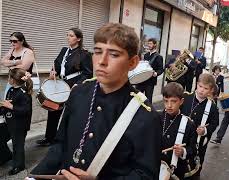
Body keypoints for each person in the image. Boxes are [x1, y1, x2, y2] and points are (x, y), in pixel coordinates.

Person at [30, 23, 160, 179]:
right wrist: (34, 176)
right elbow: (60, 145)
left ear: (132, 62)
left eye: (114, 54)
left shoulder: (146, 115)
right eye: (98, 52)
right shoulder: (78, 93)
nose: (102, 61)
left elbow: (145, 175)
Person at [36, 28, 93, 146]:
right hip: (60, 84)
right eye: (67, 35)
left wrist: (78, 84)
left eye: (71, 36)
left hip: (73, 86)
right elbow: (56, 64)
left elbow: (88, 73)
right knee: (53, 110)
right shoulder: (64, 50)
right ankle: (49, 138)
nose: (68, 37)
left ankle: (67, 139)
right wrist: (53, 72)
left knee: (70, 114)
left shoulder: (85, 54)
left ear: (78, 38)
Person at [180, 73, 219, 179]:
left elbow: (215, 123)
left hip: (199, 143)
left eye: (205, 88)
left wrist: (205, 130)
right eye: (200, 86)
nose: (201, 90)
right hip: (181, 139)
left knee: (196, 164)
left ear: (211, 90)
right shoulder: (185, 98)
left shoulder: (212, 107)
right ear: (196, 84)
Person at [160, 82, 196, 179]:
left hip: (176, 170)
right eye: (166, 101)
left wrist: (183, 151)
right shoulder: (156, 118)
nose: (169, 105)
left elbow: (193, 149)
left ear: (181, 101)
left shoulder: (188, 124)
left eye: (173, 101)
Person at [0, 68, 33, 175]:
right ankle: (5, 156)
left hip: (19, 125)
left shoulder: (24, 93)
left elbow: (26, 110)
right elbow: (9, 103)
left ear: (13, 80)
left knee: (17, 145)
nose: (8, 78)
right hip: (9, 122)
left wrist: (11, 106)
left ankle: (19, 165)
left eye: (9, 77)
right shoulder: (12, 89)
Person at [0, 32, 35, 97]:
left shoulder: (28, 52)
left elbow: (24, 67)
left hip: (22, 82)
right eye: (11, 41)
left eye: (14, 41)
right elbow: (2, 62)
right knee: (7, 99)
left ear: (22, 41)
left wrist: (9, 65)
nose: (12, 43)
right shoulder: (12, 50)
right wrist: (15, 62)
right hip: (11, 80)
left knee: (19, 104)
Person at [136, 38, 163, 103]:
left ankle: (148, 112)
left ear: (155, 45)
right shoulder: (146, 55)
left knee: (148, 100)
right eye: (148, 43)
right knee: (137, 97)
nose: (149, 45)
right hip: (142, 80)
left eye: (150, 43)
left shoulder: (159, 57)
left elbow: (161, 69)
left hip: (150, 82)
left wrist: (156, 73)